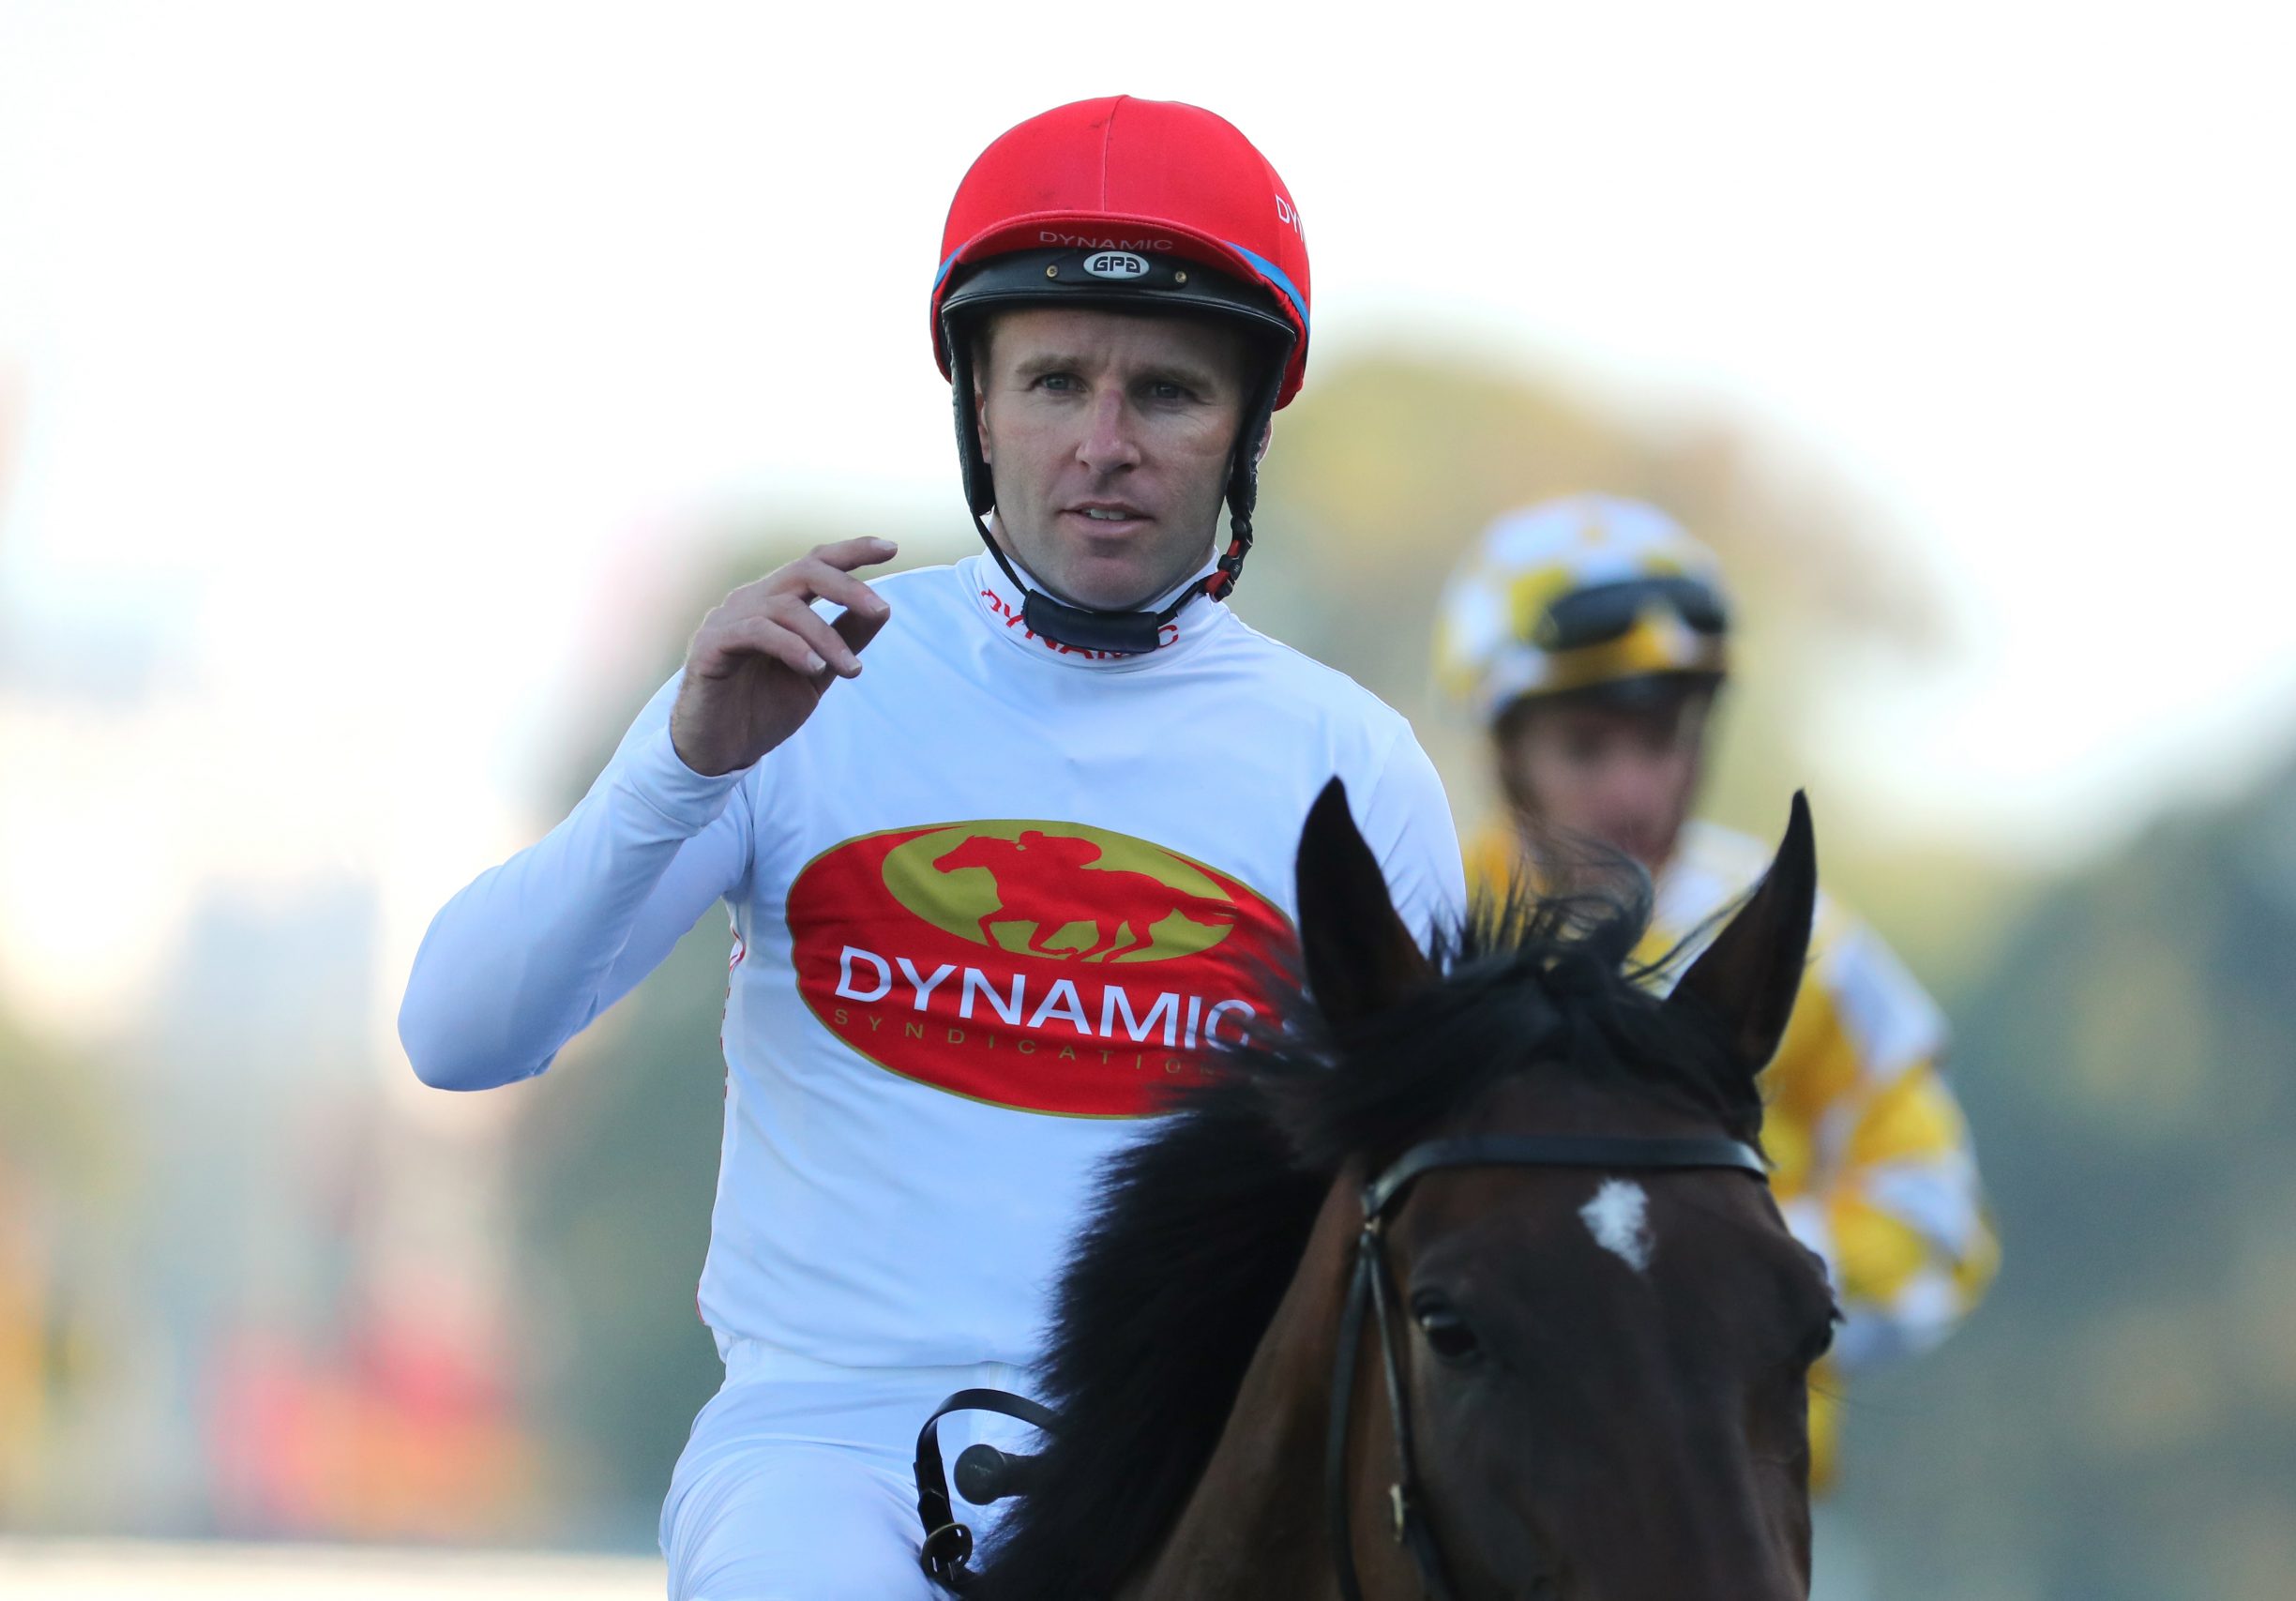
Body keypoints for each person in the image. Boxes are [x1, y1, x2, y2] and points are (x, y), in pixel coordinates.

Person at [399, 97, 1464, 1600]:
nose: (1103, 446)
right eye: (1052, 381)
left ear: (1248, 428)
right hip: (828, 1450)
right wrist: (684, 762)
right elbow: (459, 1033)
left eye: (1165, 390)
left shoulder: (1350, 763)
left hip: (1201, 1464)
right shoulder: (798, 685)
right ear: (977, 403)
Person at [1432, 492, 2000, 1486]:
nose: (1638, 791)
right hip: (1481, 1504)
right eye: (1586, 746)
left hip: (1735, 1502)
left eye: (1665, 740)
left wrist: (1717, 1269)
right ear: (1503, 752)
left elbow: (1936, 1221)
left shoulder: (1807, 940)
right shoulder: (1426, 921)